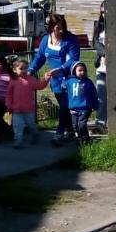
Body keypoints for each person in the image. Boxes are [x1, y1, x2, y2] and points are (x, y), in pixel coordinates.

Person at [29, 13, 80, 146]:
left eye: (63, 27)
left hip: (69, 79)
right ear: (51, 27)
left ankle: (59, 133)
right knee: (64, 107)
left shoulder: (71, 40)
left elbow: (74, 59)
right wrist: (31, 70)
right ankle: (70, 131)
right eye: (58, 28)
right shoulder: (46, 40)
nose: (61, 30)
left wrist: (61, 69)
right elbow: (40, 57)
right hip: (55, 81)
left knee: (64, 106)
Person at [7, 59, 53, 149]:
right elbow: (9, 94)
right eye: (21, 68)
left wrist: (46, 79)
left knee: (31, 125)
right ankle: (18, 141)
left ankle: (35, 135)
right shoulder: (13, 81)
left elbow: (40, 86)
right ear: (14, 70)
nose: (24, 71)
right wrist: (8, 104)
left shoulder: (31, 79)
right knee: (17, 126)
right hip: (16, 109)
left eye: (26, 68)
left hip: (28, 109)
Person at [65, 61, 99, 145]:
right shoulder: (69, 81)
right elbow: (63, 86)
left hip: (85, 108)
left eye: (84, 70)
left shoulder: (88, 82)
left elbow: (94, 94)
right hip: (73, 109)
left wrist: (95, 105)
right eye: (80, 70)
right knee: (76, 125)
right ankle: (81, 139)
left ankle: (86, 139)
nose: (82, 72)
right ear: (74, 71)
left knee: (82, 124)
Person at [92, 2, 108, 130]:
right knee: (101, 97)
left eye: (106, 11)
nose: (104, 14)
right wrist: (105, 54)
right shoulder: (98, 25)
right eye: (102, 12)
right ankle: (100, 124)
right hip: (102, 67)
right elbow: (95, 43)